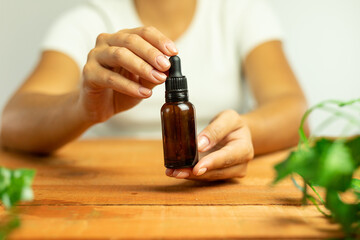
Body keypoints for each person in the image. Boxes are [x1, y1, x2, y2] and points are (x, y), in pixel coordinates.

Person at [0, 0, 308, 181]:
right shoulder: (90, 21)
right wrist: (83, 108)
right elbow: (11, 121)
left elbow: (296, 111)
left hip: (211, 183)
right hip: (113, 187)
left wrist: (246, 131)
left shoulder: (240, 12)